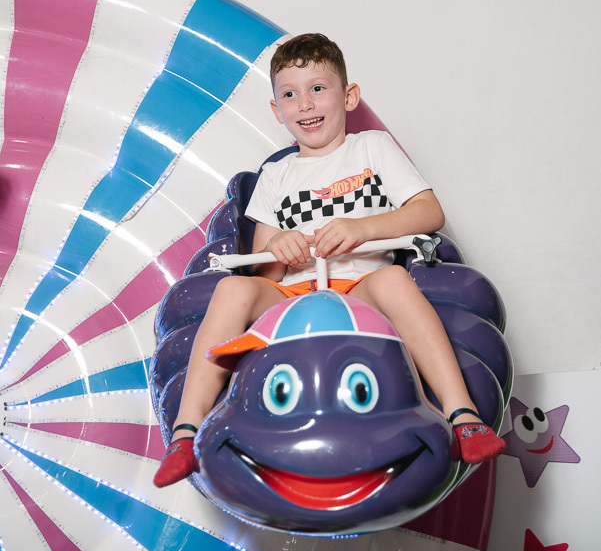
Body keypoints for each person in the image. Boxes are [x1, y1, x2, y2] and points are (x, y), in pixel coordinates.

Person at [153, 33, 505, 487]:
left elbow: (429, 212)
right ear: (276, 110)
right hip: (292, 294)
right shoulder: (275, 175)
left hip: (363, 286)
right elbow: (265, 267)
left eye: (318, 88)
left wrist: (363, 229)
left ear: (349, 96)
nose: (305, 104)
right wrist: (281, 245)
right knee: (233, 287)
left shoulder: (372, 148)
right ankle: (186, 434)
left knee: (395, 281)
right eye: (290, 95)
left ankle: (463, 417)